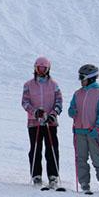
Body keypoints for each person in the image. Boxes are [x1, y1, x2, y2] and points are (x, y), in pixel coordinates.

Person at [67, 64, 99, 193]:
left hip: (93, 132)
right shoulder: (77, 93)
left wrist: (98, 127)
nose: (81, 80)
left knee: (98, 157)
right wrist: (72, 111)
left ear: (91, 78)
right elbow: (70, 109)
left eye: (82, 78)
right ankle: (84, 183)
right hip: (79, 131)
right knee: (81, 157)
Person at [22, 56, 62, 188]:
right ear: (35, 68)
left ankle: (53, 176)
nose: (41, 71)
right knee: (35, 148)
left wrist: (53, 114)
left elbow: (59, 101)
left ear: (48, 69)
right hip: (35, 122)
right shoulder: (28, 85)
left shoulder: (54, 85)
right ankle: (36, 175)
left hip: (50, 122)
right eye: (39, 68)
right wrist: (35, 112)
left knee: (51, 148)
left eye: (44, 68)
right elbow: (25, 102)